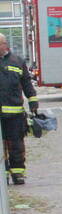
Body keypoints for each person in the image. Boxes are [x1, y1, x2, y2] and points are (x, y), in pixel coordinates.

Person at [0, 34, 38, 185]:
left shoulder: (17, 62)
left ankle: (18, 173)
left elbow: (27, 83)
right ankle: (3, 175)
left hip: (15, 113)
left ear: (5, 45)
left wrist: (33, 101)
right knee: (1, 146)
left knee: (16, 144)